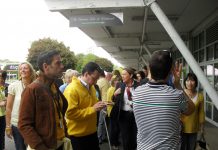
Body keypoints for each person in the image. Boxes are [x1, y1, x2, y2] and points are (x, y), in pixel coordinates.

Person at [133, 50, 195, 150]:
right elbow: (191, 109)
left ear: (149, 68)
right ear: (171, 71)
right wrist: (177, 85)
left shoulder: (136, 93)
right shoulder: (176, 95)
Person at [18, 50, 70, 150]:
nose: (62, 66)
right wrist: (40, 147)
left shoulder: (53, 86)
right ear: (46, 66)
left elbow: (59, 113)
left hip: (59, 143)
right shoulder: (32, 90)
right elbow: (24, 124)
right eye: (58, 63)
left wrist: (65, 133)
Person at [64, 62, 106, 150]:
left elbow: (92, 103)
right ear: (86, 74)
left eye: (97, 79)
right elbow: (70, 114)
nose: (96, 82)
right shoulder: (71, 89)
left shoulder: (92, 87)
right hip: (78, 136)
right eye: (94, 79)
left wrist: (100, 104)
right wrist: (93, 109)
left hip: (92, 132)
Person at [5, 62, 35, 150]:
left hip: (33, 124)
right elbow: (8, 107)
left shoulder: (36, 85)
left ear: (31, 71)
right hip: (17, 125)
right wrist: (8, 126)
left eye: (25, 68)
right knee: (20, 148)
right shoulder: (13, 86)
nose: (23, 70)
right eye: (21, 69)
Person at [112, 67, 138, 150]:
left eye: (124, 74)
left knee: (134, 137)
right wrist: (115, 94)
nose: (122, 76)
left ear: (130, 75)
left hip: (136, 115)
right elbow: (114, 100)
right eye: (121, 74)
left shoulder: (138, 85)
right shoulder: (120, 85)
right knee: (125, 138)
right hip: (123, 115)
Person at [181, 73, 205, 150]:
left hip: (193, 127)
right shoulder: (180, 94)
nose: (190, 83)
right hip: (181, 127)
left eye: (192, 80)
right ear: (185, 82)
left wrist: (202, 127)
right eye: (187, 80)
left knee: (191, 147)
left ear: (196, 82)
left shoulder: (200, 96)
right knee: (181, 147)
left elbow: (201, 112)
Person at [106, 75, 120, 150]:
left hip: (115, 111)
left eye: (119, 80)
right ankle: (113, 143)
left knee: (116, 128)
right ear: (114, 81)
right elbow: (108, 102)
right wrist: (117, 104)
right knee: (113, 128)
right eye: (117, 80)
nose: (119, 82)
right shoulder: (111, 89)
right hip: (112, 111)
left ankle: (115, 142)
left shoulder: (116, 88)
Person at [97, 70, 110, 144]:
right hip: (107, 103)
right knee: (105, 122)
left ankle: (99, 138)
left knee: (101, 122)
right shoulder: (106, 81)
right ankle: (103, 137)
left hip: (103, 103)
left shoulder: (100, 81)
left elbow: (97, 93)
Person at [0, 71, 8, 150]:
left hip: (3, 115)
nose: (1, 79)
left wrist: (6, 100)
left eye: (2, 77)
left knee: (2, 135)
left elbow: (5, 99)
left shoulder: (4, 87)